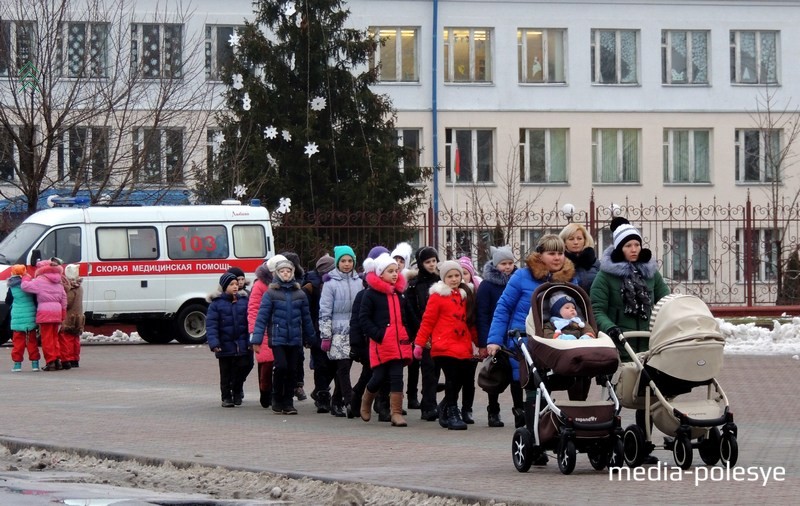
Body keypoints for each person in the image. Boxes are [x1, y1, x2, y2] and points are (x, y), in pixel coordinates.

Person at [591, 217, 670, 464]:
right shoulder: (606, 277)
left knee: (647, 395)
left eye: (636, 244)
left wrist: (668, 323)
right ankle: (606, 440)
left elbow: (665, 302)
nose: (634, 249)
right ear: (619, 249)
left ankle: (643, 446)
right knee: (617, 396)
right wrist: (609, 328)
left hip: (648, 344)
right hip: (619, 343)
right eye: (628, 246)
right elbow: (597, 309)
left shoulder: (651, 274)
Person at [486, 235, 577, 436]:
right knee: (533, 389)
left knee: (549, 387)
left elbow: (575, 309)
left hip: (557, 341)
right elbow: (504, 307)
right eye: (551, 253)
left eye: (560, 253)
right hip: (526, 340)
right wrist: (494, 339)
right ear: (540, 255)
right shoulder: (522, 277)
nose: (557, 258)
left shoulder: (569, 278)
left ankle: (546, 431)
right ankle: (534, 435)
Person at [413, 260, 477, 430]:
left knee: (462, 379)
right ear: (443, 278)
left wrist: (480, 344)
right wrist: (419, 344)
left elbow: (471, 322)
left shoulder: (466, 295)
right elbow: (427, 321)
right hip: (443, 345)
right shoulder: (437, 296)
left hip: (463, 345)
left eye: (457, 275)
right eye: (450, 276)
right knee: (452, 378)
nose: (455, 279)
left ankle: (444, 407)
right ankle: (452, 412)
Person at [251, 256, 316, 415]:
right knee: (281, 366)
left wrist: (311, 338)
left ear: (293, 273)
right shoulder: (271, 293)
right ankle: (276, 397)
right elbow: (262, 318)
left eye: (288, 271)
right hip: (278, 338)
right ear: (277, 274)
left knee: (292, 370)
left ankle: (288, 402)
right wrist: (256, 339)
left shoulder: (299, 294)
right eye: (282, 271)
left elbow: (306, 318)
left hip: (295, 339)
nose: (285, 274)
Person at [358, 253, 413, 427]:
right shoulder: (371, 294)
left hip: (399, 344)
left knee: (397, 377)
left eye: (396, 271)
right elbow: (364, 319)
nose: (395, 274)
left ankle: (396, 413)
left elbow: (408, 317)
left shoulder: (399, 294)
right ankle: (366, 401)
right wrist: (379, 335)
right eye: (390, 271)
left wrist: (409, 333)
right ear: (381, 274)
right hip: (382, 344)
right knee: (379, 377)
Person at [319, 245, 363, 418]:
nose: (346, 264)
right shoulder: (330, 283)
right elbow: (324, 311)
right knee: (343, 367)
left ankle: (336, 400)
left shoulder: (359, 281)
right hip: (338, 331)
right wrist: (326, 335)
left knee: (347, 366)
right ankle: (349, 401)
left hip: (355, 330)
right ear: (337, 262)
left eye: (350, 260)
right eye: (343, 261)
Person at [475, 245, 517, 427]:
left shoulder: (517, 281)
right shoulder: (487, 286)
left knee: (518, 375)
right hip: (496, 336)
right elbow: (482, 314)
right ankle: (493, 410)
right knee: (494, 372)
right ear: (495, 264)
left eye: (510, 263)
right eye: (503, 264)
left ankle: (519, 410)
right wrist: (485, 341)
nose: (507, 267)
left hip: (515, 335)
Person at [405, 246, 441, 420]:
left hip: (440, 331)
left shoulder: (441, 282)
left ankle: (433, 402)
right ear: (421, 263)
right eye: (428, 262)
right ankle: (428, 406)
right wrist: (420, 329)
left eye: (434, 261)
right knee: (427, 369)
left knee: (437, 369)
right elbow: (411, 310)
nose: (432, 265)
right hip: (423, 332)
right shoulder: (414, 285)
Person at [206, 273, 251, 408]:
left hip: (241, 343)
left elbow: (249, 322)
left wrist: (251, 340)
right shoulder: (216, 304)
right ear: (225, 287)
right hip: (224, 344)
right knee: (226, 372)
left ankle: (237, 391)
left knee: (242, 367)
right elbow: (211, 325)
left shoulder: (244, 301)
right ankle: (226, 396)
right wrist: (214, 343)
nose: (235, 287)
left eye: (236, 284)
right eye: (232, 285)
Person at [304, 253, 336, 413]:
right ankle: (323, 397)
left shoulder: (335, 283)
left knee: (331, 364)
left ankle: (319, 391)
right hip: (317, 330)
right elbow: (307, 312)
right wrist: (308, 334)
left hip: (333, 329)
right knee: (321, 365)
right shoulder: (311, 287)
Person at [22, 259, 67, 372]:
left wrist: (26, 276)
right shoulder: (59, 281)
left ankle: (50, 361)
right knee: (54, 337)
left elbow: (25, 286)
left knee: (46, 339)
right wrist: (63, 313)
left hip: (45, 312)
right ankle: (57, 360)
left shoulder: (40, 280)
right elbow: (64, 299)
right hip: (57, 312)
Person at [281, 251, 309, 402]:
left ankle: (298, 385)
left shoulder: (302, 283)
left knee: (299, 356)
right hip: (284, 327)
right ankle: (288, 387)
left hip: (298, 326)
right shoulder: (278, 283)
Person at [247, 258, 275, 409]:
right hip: (263, 328)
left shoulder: (287, 284)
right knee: (266, 362)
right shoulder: (259, 285)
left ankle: (277, 394)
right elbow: (253, 309)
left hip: (279, 328)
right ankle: (265, 393)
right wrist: (253, 331)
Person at [6, 264, 40, 372]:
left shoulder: (11, 287)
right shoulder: (29, 285)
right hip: (30, 316)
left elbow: (8, 301)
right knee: (32, 342)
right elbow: (36, 300)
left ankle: (17, 365)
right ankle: (35, 364)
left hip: (17, 318)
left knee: (18, 343)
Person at [559, 223, 600, 293]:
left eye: (579, 238)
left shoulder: (596, 264)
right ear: (564, 242)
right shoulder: (559, 263)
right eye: (571, 239)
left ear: (585, 240)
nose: (575, 242)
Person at [60, 264, 85, 368]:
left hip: (70, 317)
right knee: (75, 339)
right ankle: (76, 358)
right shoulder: (80, 287)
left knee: (68, 339)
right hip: (79, 316)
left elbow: (68, 303)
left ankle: (69, 358)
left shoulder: (71, 289)